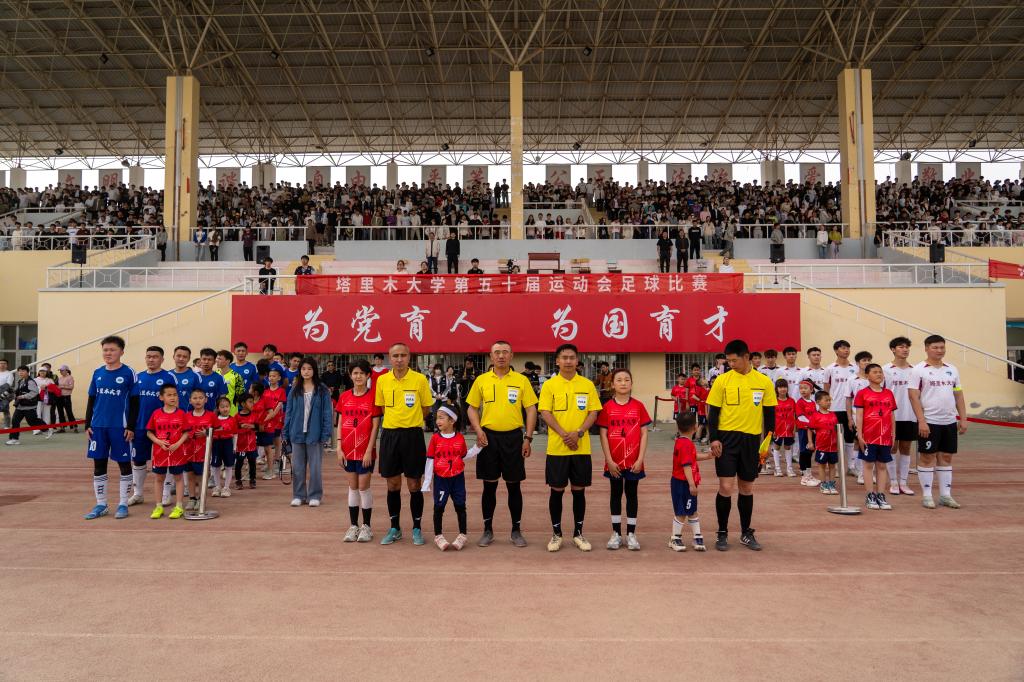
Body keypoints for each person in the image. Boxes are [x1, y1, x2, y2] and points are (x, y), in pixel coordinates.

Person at [465, 341, 538, 548]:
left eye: (505, 352)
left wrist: (528, 438)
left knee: (514, 486)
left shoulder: (521, 380)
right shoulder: (481, 380)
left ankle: (516, 530)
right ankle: (487, 530)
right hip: (488, 438)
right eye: (497, 352)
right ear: (491, 356)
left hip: (514, 438)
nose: (501, 356)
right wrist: (478, 430)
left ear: (512, 355)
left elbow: (531, 409)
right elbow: (471, 408)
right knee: (489, 486)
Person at [706, 339, 776, 551]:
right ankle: (722, 532)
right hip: (726, 440)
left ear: (746, 357)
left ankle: (746, 532)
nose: (730, 364)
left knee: (746, 488)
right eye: (728, 361)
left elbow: (769, 416)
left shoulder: (764, 381)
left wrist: (767, 444)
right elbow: (713, 412)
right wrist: (714, 438)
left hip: (751, 441)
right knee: (726, 487)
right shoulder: (722, 380)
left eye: (734, 360)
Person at [538, 343, 602, 552]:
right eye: (564, 357)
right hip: (557, 448)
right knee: (556, 491)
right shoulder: (549, 385)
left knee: (578, 491)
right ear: (557, 361)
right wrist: (565, 435)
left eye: (572, 357)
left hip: (581, 448)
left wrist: (579, 432)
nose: (568, 361)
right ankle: (556, 534)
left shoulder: (587, 384)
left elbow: (593, 412)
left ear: (577, 360)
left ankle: (578, 534)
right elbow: (545, 412)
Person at [374, 342, 433, 545]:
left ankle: (417, 528)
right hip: (390, 435)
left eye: (403, 355)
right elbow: (382, 408)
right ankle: (395, 528)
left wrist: (410, 420)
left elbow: (426, 408)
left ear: (409, 357)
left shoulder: (420, 379)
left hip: (413, 436)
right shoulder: (382, 380)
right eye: (395, 356)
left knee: (414, 483)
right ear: (390, 358)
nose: (399, 359)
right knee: (393, 483)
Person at [909, 335, 967, 509]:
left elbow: (958, 394)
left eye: (942, 347)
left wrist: (963, 418)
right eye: (935, 347)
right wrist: (921, 421)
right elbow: (913, 396)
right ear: (926, 348)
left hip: (949, 421)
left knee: (946, 457)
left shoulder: (952, 369)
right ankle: (927, 496)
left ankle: (945, 495)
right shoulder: (919, 370)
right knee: (927, 457)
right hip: (929, 421)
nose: (939, 350)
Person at [83, 336, 138, 519]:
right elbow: (92, 399)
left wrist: (131, 426)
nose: (108, 353)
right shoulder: (97, 372)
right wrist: (87, 424)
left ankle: (123, 503)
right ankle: (101, 504)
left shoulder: (129, 372)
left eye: (112, 350)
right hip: (98, 427)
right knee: (99, 465)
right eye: (105, 350)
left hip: (119, 427)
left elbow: (135, 402)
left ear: (121, 351)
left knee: (124, 464)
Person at [596, 368, 650, 551]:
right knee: (615, 494)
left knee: (632, 495)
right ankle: (616, 533)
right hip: (614, 463)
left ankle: (631, 534)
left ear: (632, 384)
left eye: (627, 379)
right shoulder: (607, 408)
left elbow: (644, 433)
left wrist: (640, 459)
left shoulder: (638, 406)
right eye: (619, 380)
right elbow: (603, 435)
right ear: (612, 384)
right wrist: (609, 461)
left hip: (634, 461)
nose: (623, 383)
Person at [336, 359, 381, 543]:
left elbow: (375, 426)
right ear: (350, 375)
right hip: (347, 449)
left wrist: (369, 450)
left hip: (365, 450)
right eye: (355, 373)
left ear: (368, 375)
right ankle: (353, 526)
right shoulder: (344, 396)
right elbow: (340, 423)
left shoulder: (373, 397)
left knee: (363, 487)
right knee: (353, 486)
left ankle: (366, 526)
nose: (358, 376)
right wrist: (339, 447)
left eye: (362, 373)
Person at [126, 346, 176, 508]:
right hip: (140, 426)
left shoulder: (169, 377)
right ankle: (138, 494)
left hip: (163, 428)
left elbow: (174, 402)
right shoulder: (138, 377)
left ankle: (166, 494)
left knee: (165, 460)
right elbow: (131, 403)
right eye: (148, 356)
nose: (151, 359)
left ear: (162, 359)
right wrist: (130, 425)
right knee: (138, 460)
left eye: (155, 357)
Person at [283, 358, 332, 507]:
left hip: (315, 434)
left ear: (314, 370)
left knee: (315, 467)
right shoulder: (295, 389)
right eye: (303, 369)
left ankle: (315, 495)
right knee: (298, 467)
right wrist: (285, 432)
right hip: (297, 433)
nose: (306, 372)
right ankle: (299, 495)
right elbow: (288, 412)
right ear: (300, 371)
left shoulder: (322, 389)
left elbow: (327, 413)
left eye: (309, 369)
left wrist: (326, 433)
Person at [426, 406, 472, 551]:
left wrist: (477, 448)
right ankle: (438, 536)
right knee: (439, 507)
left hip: (458, 479)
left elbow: (464, 455)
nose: (437, 421)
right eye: (437, 418)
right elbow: (430, 460)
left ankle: (462, 535)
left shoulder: (460, 438)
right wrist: (427, 482)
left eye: (441, 418)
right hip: (441, 479)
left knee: (460, 506)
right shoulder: (435, 438)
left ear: (452, 421)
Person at [854, 364, 897, 511]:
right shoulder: (862, 393)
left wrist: (893, 434)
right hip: (868, 436)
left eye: (880, 372)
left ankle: (881, 495)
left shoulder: (889, 393)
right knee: (868, 465)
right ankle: (870, 495)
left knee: (882, 465)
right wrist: (859, 435)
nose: (879, 374)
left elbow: (891, 415)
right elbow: (859, 416)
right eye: (875, 372)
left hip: (884, 436)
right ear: (867, 376)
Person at [669, 412, 713, 552]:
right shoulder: (686, 444)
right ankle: (675, 538)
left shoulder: (683, 442)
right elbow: (686, 465)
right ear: (695, 427)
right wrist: (692, 484)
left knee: (692, 510)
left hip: (683, 482)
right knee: (681, 512)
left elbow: (692, 457)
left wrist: (708, 456)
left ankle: (697, 536)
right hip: (683, 483)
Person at [145, 384, 189, 519]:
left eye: (175, 395)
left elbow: (186, 432)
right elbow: (149, 433)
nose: (173, 397)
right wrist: (159, 442)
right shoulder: (156, 413)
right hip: (160, 453)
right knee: (159, 478)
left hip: (177, 452)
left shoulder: (182, 414)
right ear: (161, 397)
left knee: (178, 478)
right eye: (169, 395)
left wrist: (178, 443)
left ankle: (179, 506)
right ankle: (158, 506)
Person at [883, 336, 917, 496]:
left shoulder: (914, 370)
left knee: (906, 448)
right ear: (893, 349)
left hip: (909, 415)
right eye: (901, 347)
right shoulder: (885, 370)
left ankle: (903, 482)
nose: (905, 349)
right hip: (891, 416)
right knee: (892, 447)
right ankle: (893, 482)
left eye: (907, 347)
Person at [824, 340, 858, 478]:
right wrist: (826, 408)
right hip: (835, 408)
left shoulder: (855, 368)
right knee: (835, 439)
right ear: (836, 350)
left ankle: (851, 466)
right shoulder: (830, 369)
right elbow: (826, 389)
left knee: (850, 439)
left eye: (848, 348)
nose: (846, 350)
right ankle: (836, 467)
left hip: (852, 409)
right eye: (843, 348)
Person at [183, 388, 215, 509]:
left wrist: (207, 433)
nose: (198, 400)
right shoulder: (186, 416)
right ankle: (192, 499)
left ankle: (201, 499)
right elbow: (182, 432)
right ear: (190, 400)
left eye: (201, 398)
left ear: (206, 400)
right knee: (190, 475)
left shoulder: (211, 415)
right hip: (188, 451)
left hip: (203, 453)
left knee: (202, 476)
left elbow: (219, 430)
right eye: (195, 398)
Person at [847, 350, 873, 483]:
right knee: (859, 442)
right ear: (857, 363)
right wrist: (849, 418)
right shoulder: (852, 379)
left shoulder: (874, 378)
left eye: (869, 360)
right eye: (864, 360)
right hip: (858, 417)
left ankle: (869, 471)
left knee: (872, 443)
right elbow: (848, 400)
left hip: (874, 418)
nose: (867, 363)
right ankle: (860, 472)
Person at [6, 366, 48, 445]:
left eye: (23, 371)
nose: (21, 373)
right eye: (19, 371)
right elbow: (18, 391)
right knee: (15, 421)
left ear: (27, 372)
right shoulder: (20, 381)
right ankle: (14, 439)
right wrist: (11, 394)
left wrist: (23, 396)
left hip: (29, 406)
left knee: (32, 421)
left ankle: (46, 429)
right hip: (20, 406)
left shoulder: (30, 381)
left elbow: (34, 392)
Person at [809, 391, 839, 494]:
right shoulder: (815, 416)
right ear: (818, 402)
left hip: (833, 446)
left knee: (832, 465)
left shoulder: (833, 415)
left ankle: (831, 484)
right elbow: (810, 429)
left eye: (830, 400)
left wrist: (838, 443)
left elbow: (837, 429)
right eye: (826, 400)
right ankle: (823, 484)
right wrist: (810, 442)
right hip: (822, 446)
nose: (829, 402)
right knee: (822, 465)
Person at [258, 368, 286, 480]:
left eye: (274, 376)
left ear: (279, 378)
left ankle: (277, 461)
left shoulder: (281, 391)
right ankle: (268, 463)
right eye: (270, 376)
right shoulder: (265, 391)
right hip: (267, 420)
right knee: (268, 443)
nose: (271, 378)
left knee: (277, 440)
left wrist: (272, 415)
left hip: (277, 419)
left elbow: (279, 406)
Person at [209, 396, 238, 497]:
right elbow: (210, 433)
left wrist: (234, 447)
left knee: (228, 466)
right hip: (216, 444)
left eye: (227, 406)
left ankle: (226, 487)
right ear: (218, 408)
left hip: (228, 443)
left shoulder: (232, 419)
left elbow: (235, 434)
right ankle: (217, 486)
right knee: (215, 465)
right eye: (222, 407)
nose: (225, 409)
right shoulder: (214, 419)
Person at [771, 379, 797, 478]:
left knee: (788, 447)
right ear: (776, 389)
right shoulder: (773, 401)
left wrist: (794, 428)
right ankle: (777, 469)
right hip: (778, 429)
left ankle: (789, 469)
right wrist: (773, 429)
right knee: (776, 447)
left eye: (785, 387)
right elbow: (772, 417)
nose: (783, 389)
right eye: (780, 387)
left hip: (789, 429)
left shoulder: (792, 401)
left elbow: (794, 415)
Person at [795, 380, 819, 487]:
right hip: (804, 430)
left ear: (811, 389)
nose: (803, 390)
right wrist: (811, 425)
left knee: (809, 452)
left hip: (812, 430)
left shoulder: (813, 403)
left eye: (805, 388)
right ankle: (804, 477)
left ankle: (809, 475)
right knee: (804, 452)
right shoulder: (799, 402)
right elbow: (800, 417)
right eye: (801, 388)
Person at [233, 393, 259, 490]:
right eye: (250, 402)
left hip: (252, 445)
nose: (252, 404)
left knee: (252, 463)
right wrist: (241, 426)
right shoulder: (237, 416)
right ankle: (238, 481)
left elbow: (259, 427)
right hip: (240, 445)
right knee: (239, 463)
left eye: (253, 402)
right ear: (243, 404)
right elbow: (233, 428)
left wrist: (252, 426)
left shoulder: (254, 415)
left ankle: (252, 480)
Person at [214, 350, 244, 415]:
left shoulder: (236, 376)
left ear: (228, 361)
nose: (216, 360)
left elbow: (241, 395)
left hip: (232, 412)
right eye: (217, 358)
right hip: (216, 411)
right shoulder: (214, 374)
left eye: (219, 359)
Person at [55, 365, 76, 432]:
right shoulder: (60, 378)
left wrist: (62, 387)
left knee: (69, 412)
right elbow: (57, 386)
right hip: (59, 397)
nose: (61, 372)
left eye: (62, 370)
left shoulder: (70, 377)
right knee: (60, 412)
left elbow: (71, 387)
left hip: (66, 396)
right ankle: (62, 427)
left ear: (67, 371)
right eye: (60, 370)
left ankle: (74, 427)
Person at [0, 358, 13, 429]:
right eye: (1, 363)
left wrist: (2, 393)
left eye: (4, 363)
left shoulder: (9, 374)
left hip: (5, 393)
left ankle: (7, 426)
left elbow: (8, 384)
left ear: (7, 365)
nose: (2, 365)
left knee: (5, 409)